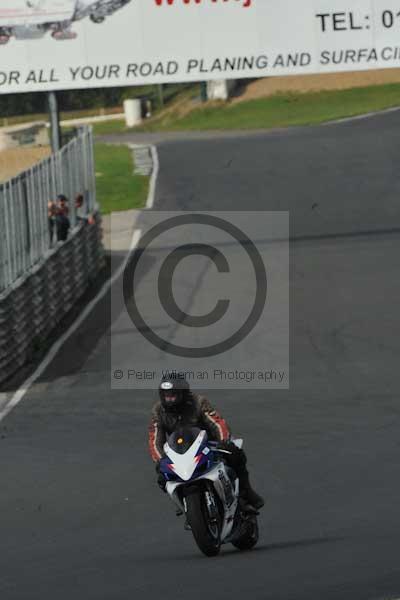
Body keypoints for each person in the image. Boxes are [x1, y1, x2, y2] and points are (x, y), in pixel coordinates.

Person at [148, 374, 264, 510]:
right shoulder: (158, 411)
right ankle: (185, 506)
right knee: (162, 478)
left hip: (208, 446)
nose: (170, 399)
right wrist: (160, 460)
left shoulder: (199, 402)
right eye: (166, 395)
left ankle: (246, 491)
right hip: (180, 452)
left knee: (235, 453)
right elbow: (154, 439)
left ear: (183, 393)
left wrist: (224, 441)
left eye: (173, 395)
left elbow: (217, 423)